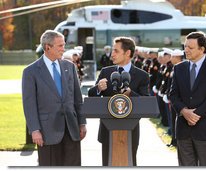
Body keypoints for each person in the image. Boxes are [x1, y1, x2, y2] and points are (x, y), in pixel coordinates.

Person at [22, 30, 87, 166]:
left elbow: (77, 98)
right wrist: (35, 130)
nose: (64, 49)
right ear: (47, 47)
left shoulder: (70, 67)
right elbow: (29, 104)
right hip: (47, 132)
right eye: (60, 46)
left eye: (63, 45)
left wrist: (82, 123)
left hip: (72, 130)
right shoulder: (30, 72)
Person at [88, 36, 150, 166]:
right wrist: (98, 88)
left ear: (127, 53)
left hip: (130, 130)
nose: (112, 54)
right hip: (107, 129)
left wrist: (130, 94)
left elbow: (146, 102)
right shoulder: (106, 72)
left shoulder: (141, 75)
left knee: (130, 163)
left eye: (116, 51)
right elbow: (91, 95)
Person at [169, 32, 206, 166]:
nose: (186, 50)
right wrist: (184, 111)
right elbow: (173, 94)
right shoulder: (179, 68)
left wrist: (195, 115)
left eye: (190, 47)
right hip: (183, 130)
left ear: (202, 49)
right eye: (185, 46)